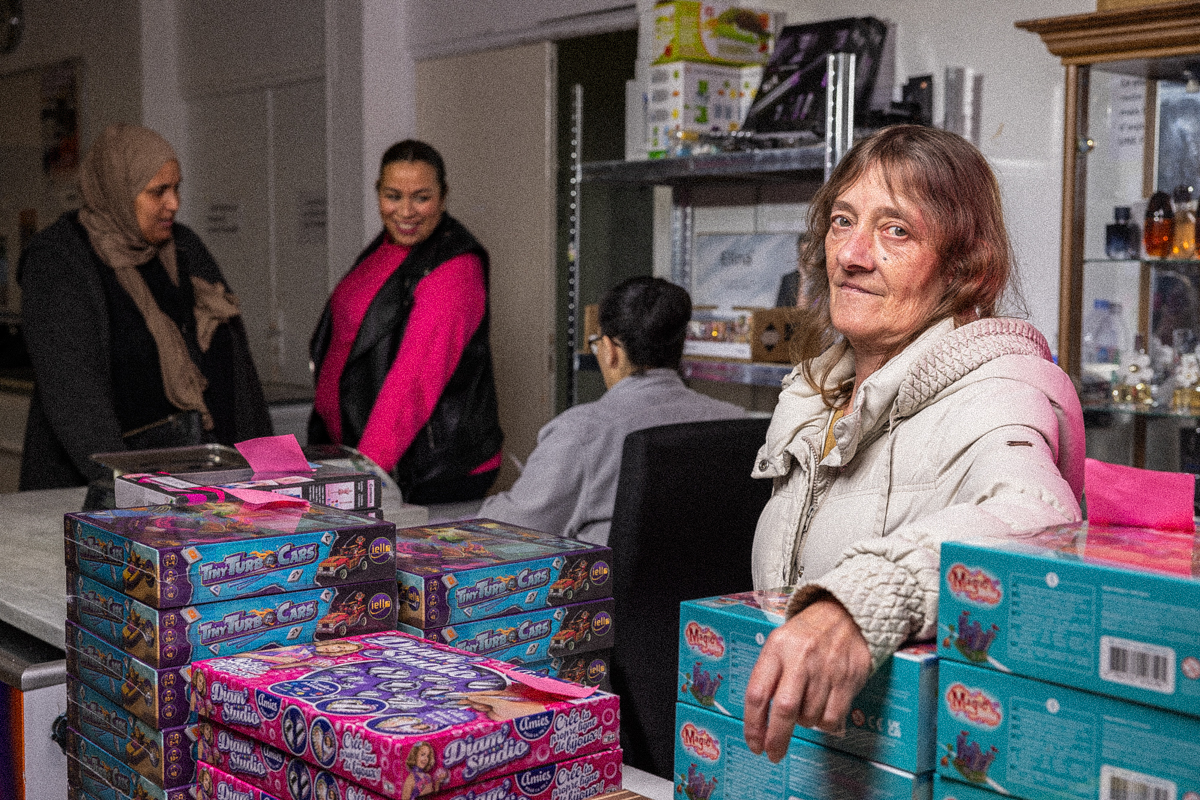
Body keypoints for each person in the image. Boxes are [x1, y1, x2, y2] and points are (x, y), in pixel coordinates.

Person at [742, 125, 1085, 762]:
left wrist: (862, 602)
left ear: (965, 266)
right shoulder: (816, 397)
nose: (852, 254)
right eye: (843, 221)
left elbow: (1042, 519)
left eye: (896, 230)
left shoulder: (999, 391)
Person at [19, 123, 272, 490]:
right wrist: (131, 491)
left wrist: (269, 471)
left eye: (176, 188)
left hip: (206, 483)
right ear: (118, 190)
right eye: (158, 192)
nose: (174, 204)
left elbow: (238, 371)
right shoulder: (60, 260)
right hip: (102, 491)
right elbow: (76, 399)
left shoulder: (185, 248)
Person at [479, 276, 745, 545]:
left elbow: (503, 531)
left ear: (610, 351)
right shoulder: (736, 422)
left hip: (607, 574)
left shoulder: (581, 434)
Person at [308, 140, 502, 505]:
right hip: (358, 456)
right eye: (393, 196)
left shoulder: (455, 270)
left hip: (429, 474)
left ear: (443, 197)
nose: (406, 211)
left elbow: (412, 383)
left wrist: (364, 477)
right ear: (378, 193)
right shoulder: (386, 246)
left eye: (421, 197)